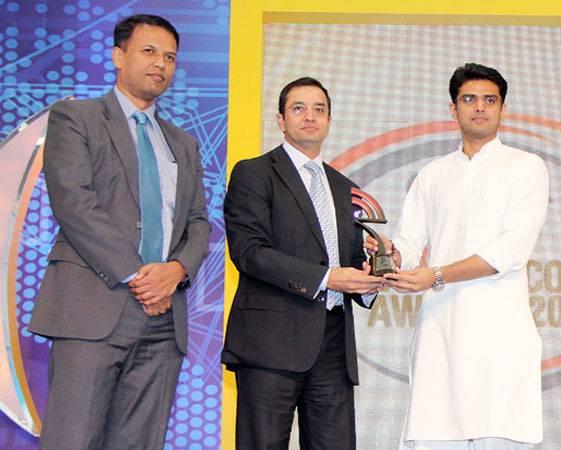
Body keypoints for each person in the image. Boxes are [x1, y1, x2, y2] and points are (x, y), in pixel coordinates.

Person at [29, 14, 210, 450]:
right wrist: (140, 277)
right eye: (149, 51)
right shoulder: (77, 117)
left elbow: (199, 222)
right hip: (92, 309)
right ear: (117, 55)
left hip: (163, 320)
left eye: (170, 57)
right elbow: (75, 205)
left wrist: (175, 272)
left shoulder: (183, 143)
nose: (160, 63)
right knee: (72, 440)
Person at [384, 63, 549, 450]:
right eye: (469, 99)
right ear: (453, 108)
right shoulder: (432, 174)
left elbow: (512, 249)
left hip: (501, 336)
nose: (479, 107)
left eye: (490, 100)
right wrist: (389, 256)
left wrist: (436, 275)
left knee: (501, 436)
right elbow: (409, 242)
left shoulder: (526, 167)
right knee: (433, 436)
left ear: (503, 108)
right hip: (440, 335)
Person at [222, 76, 384, 450]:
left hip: (333, 346)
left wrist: (371, 271)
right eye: (299, 108)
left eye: (319, 109)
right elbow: (249, 251)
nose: (310, 117)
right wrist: (327, 278)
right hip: (270, 343)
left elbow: (348, 261)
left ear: (329, 120)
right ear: (281, 120)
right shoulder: (254, 173)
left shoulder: (344, 187)